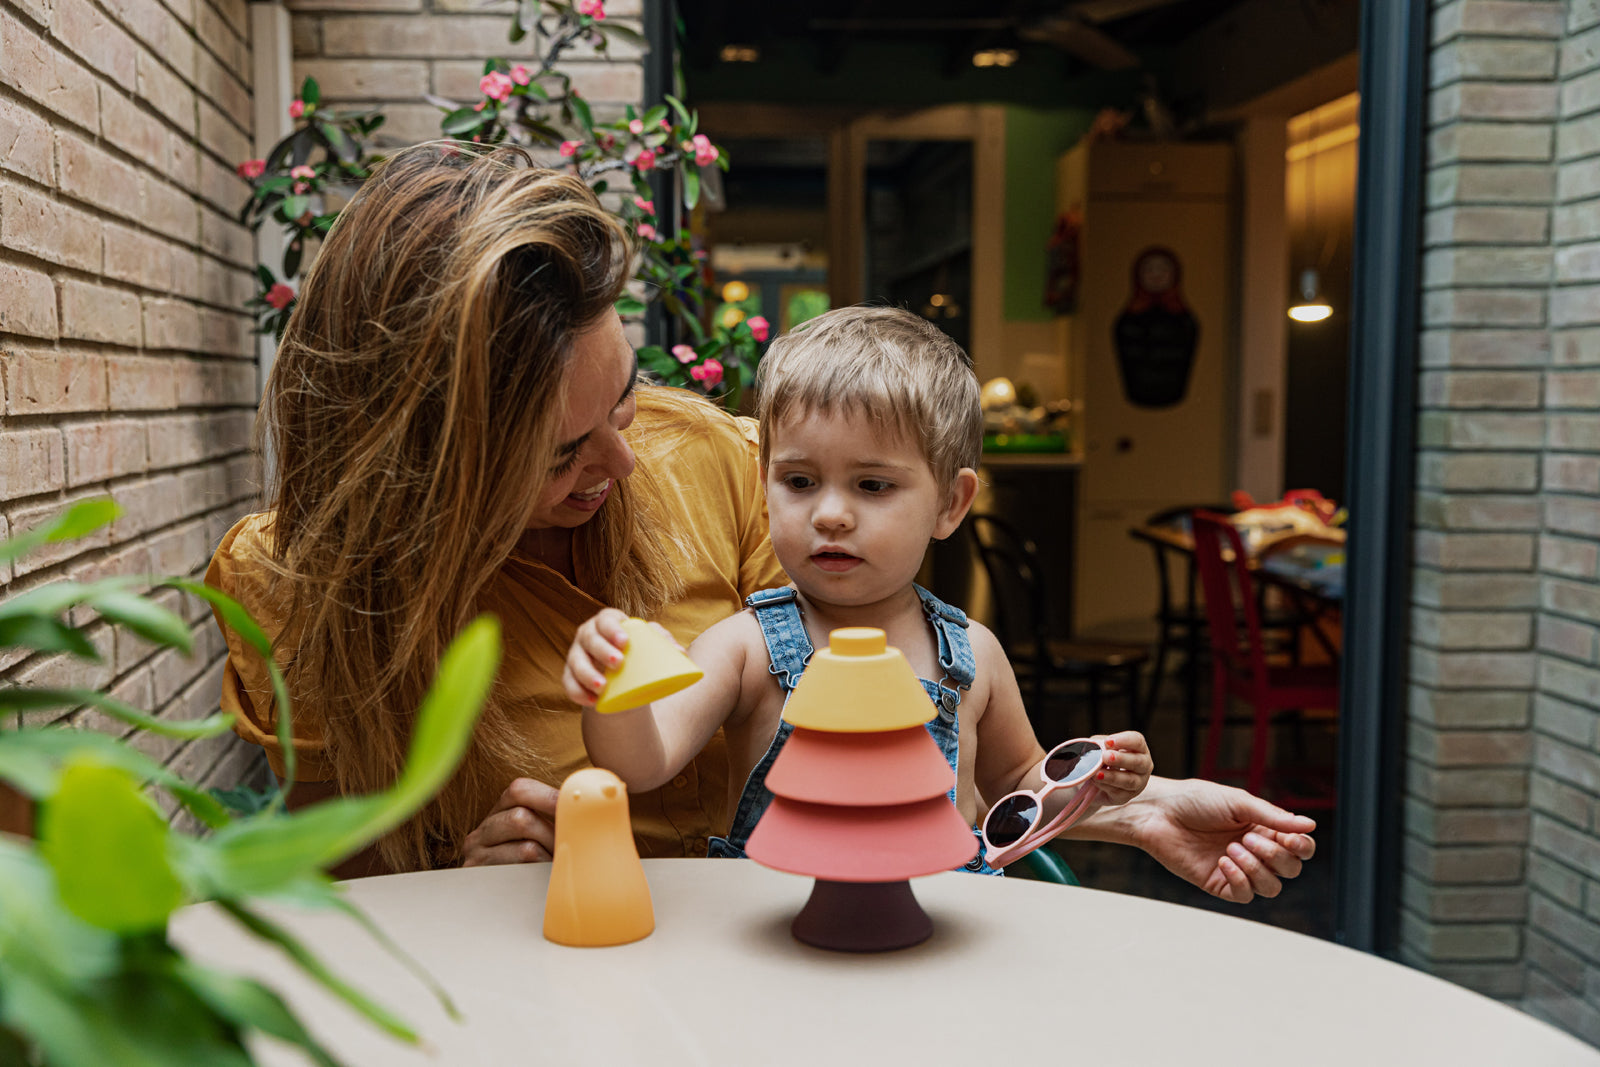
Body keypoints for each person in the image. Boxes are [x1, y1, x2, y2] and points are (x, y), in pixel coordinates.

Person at [207, 141, 1316, 902]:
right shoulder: (296, 590)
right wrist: (458, 873)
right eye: (558, 453)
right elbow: (325, 891)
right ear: (422, 471)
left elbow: (891, 733)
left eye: (624, 400)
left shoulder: (721, 465)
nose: (624, 459)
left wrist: (1135, 801)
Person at [566, 307, 1153, 872]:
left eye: (872, 485)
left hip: (936, 947)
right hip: (781, 948)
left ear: (950, 504)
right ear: (764, 485)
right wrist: (613, 692)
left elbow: (1018, 784)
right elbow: (641, 764)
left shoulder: (974, 657)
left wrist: (1090, 782)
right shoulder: (745, 649)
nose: (831, 514)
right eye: (799, 481)